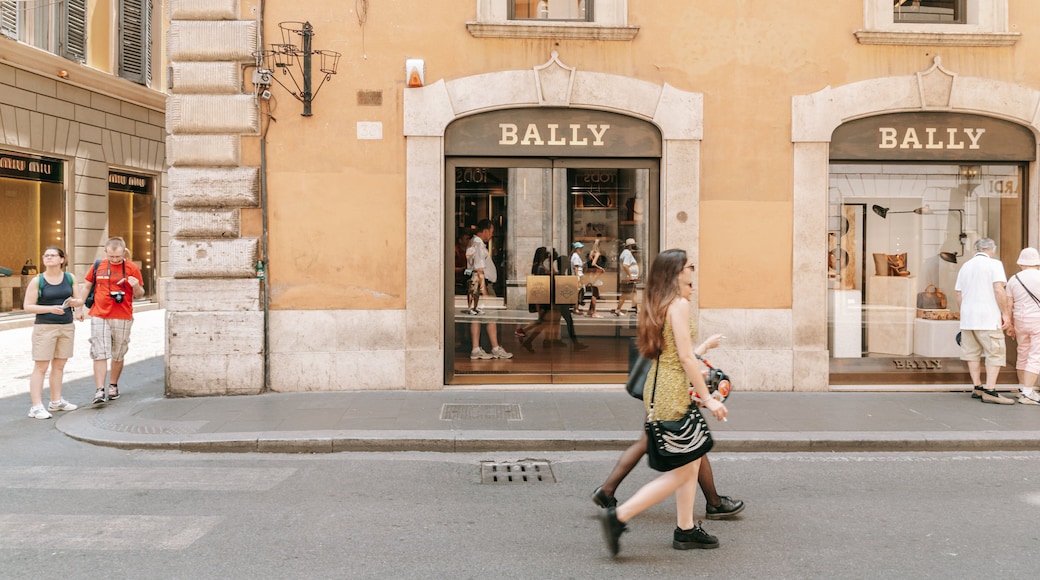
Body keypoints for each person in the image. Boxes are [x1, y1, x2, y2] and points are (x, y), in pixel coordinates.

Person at [599, 249, 728, 557]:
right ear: (675, 273)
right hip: (672, 392)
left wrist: (701, 347)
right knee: (684, 471)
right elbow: (683, 358)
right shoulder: (679, 304)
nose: (692, 270)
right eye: (688, 266)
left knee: (692, 460)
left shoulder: (660, 303)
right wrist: (708, 398)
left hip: (662, 387)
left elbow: (674, 352)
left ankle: (685, 529)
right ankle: (619, 516)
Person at [592, 334, 744, 519]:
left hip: (659, 390)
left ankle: (607, 491)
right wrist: (704, 349)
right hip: (668, 393)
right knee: (693, 446)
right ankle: (713, 504)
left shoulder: (659, 312)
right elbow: (680, 358)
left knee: (659, 443)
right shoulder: (674, 308)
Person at [22, 247, 85, 419]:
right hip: (45, 328)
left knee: (59, 366)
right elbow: (27, 306)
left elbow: (80, 299)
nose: (48, 258)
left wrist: (75, 303)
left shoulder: (70, 278)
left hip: (66, 326)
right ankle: (35, 407)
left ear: (62, 259)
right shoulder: (38, 280)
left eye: (53, 255)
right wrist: (50, 308)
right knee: (41, 367)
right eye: (46, 255)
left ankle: (56, 402)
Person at [85, 237, 146, 405]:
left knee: (118, 353)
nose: (114, 260)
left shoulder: (132, 268)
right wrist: (78, 309)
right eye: (111, 257)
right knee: (99, 351)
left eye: (118, 257)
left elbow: (140, 294)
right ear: (106, 252)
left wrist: (135, 286)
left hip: (123, 315)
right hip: (99, 314)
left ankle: (113, 385)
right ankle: (99, 390)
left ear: (124, 252)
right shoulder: (99, 266)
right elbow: (86, 286)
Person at [956, 238, 1013, 405]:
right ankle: (990, 390)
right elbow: (998, 289)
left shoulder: (965, 266)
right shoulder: (994, 264)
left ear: (975, 249)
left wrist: (964, 313)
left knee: (971, 354)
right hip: (988, 318)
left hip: (968, 319)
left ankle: (977, 387)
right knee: (994, 352)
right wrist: (1005, 313)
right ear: (992, 249)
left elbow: (959, 294)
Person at [466, 219, 512, 360]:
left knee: (476, 317)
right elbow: (479, 268)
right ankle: (495, 348)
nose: (491, 235)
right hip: (481, 283)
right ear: (485, 230)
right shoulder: (479, 244)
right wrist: (484, 289)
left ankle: (475, 348)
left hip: (473, 283)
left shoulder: (472, 242)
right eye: (491, 232)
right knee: (491, 317)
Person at [1004, 247, 1040, 405]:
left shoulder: (1013, 279)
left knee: (1023, 353)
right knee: (1036, 355)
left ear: (1021, 263)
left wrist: (1009, 324)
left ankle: (1021, 389)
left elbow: (1008, 304)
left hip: (1019, 320)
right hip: (1037, 319)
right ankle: (1028, 392)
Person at [612, 238, 640, 316]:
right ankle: (618, 310)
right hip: (628, 278)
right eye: (634, 245)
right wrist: (630, 276)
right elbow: (625, 265)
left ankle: (638, 310)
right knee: (625, 294)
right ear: (631, 246)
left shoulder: (626, 253)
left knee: (634, 294)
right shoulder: (627, 253)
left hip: (629, 278)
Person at [584, 240, 605, 318]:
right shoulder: (597, 253)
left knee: (594, 292)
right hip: (595, 275)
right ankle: (594, 312)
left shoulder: (591, 254)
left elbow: (590, 264)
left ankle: (590, 310)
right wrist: (601, 268)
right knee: (595, 293)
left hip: (591, 275)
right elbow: (593, 263)